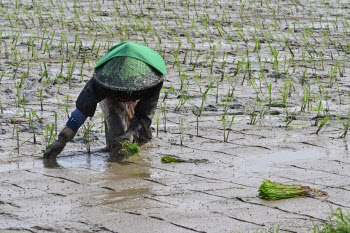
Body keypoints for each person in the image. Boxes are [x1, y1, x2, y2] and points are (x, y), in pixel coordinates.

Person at [43, 42, 166, 159]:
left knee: (143, 137)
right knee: (116, 139)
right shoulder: (102, 81)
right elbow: (83, 109)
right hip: (112, 97)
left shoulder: (153, 82)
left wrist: (132, 134)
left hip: (140, 90)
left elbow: (144, 115)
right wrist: (62, 139)